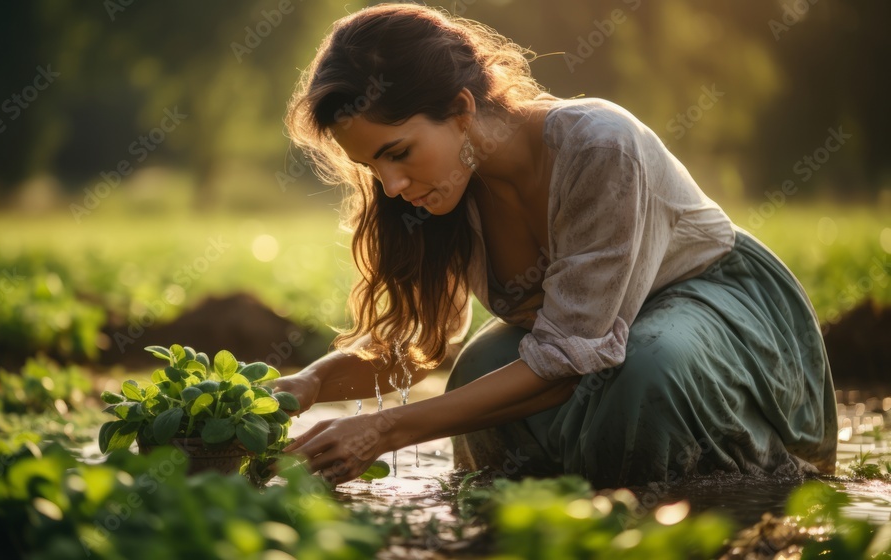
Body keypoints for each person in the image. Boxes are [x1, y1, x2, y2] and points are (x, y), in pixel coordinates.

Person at [273, 3, 837, 487]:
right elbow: (421, 344)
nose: (391, 186)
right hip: (596, 339)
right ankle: (528, 518)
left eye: (398, 152)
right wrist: (312, 383)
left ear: (462, 110)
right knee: (478, 370)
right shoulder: (439, 193)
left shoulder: (598, 146)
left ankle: (714, 503)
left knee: (649, 368)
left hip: (713, 304)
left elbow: (568, 360)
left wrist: (386, 429)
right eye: (371, 165)